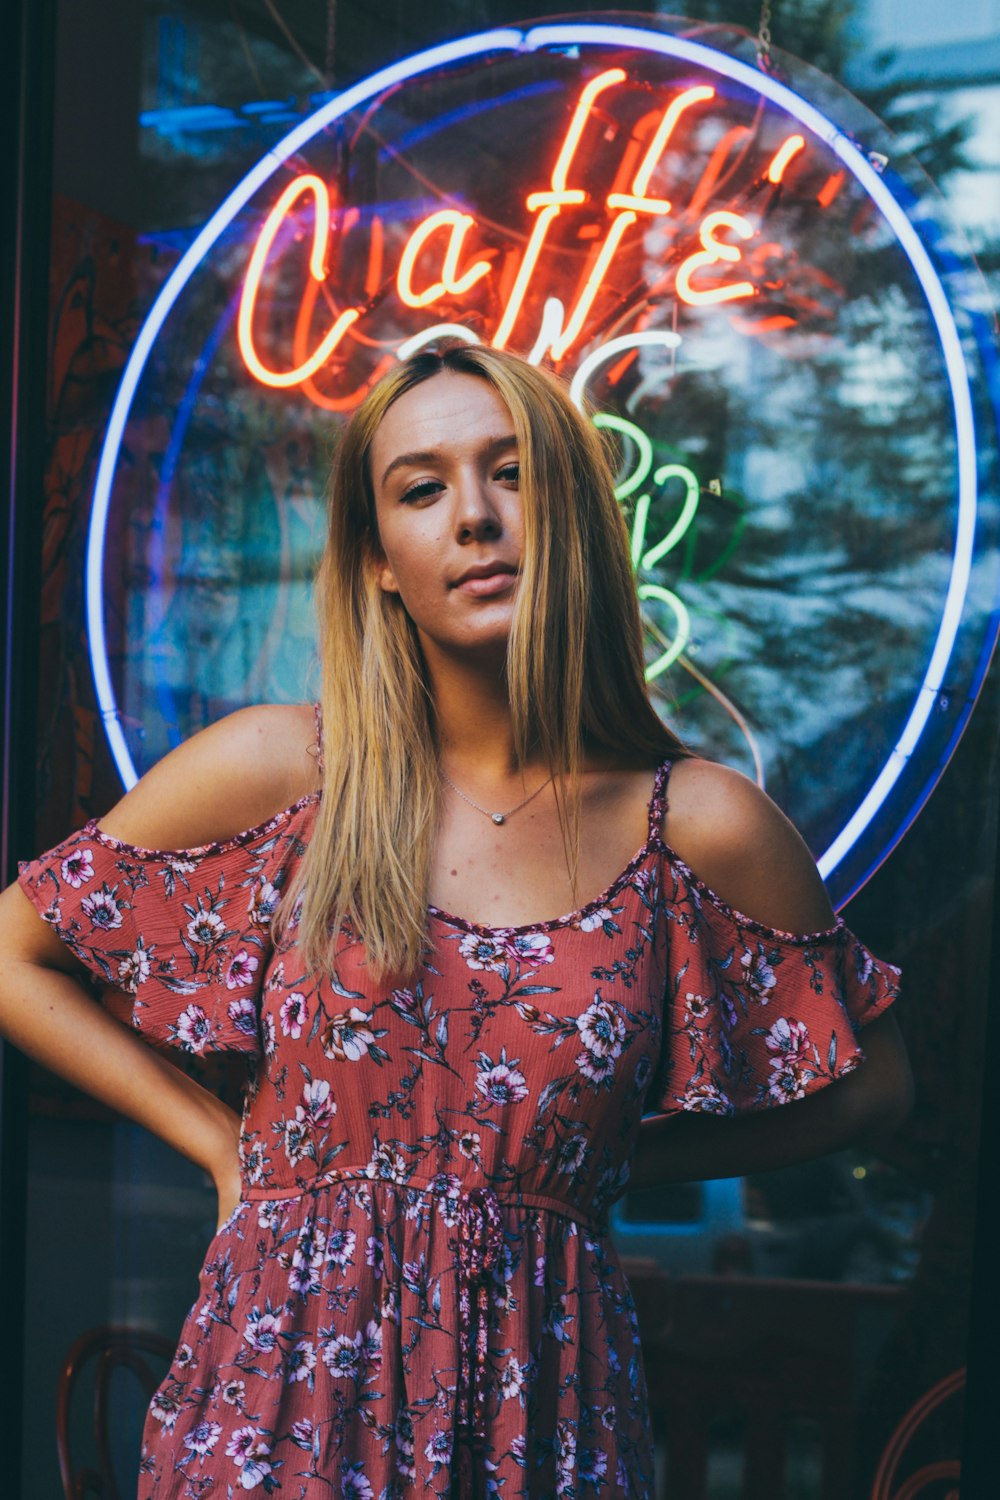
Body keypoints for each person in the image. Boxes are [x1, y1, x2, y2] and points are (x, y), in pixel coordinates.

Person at [0, 343, 910, 1497]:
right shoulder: (285, 773)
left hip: (548, 1397)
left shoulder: (699, 828)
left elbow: (876, 1085)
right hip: (279, 1395)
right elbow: (11, 956)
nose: (474, 517)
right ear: (380, 560)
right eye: (421, 489)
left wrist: (601, 1165)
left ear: (573, 510)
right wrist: (220, 1150)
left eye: (512, 472)